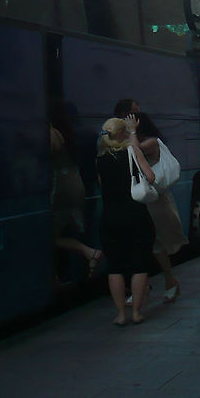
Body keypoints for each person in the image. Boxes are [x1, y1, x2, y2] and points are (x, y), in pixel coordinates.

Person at [96, 116, 155, 326]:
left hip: (110, 218)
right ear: (123, 134)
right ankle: (137, 312)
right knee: (139, 264)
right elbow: (150, 176)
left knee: (115, 267)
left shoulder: (100, 159)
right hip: (136, 215)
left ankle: (120, 314)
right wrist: (134, 134)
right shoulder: (132, 152)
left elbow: (103, 186)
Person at [128, 112, 188, 304]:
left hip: (156, 200)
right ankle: (145, 285)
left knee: (156, 244)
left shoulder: (152, 142)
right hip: (144, 200)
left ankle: (169, 281)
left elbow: (136, 149)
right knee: (146, 244)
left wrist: (130, 132)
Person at [49, 100, 101, 279]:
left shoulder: (52, 133)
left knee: (49, 235)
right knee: (71, 230)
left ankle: (88, 253)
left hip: (60, 190)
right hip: (76, 185)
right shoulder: (75, 133)